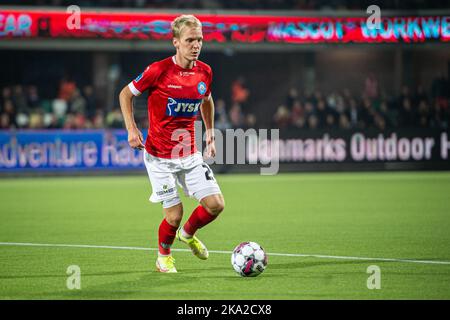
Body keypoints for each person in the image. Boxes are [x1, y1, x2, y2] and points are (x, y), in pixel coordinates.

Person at [118, 15, 225, 273]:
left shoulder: (205, 71)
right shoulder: (159, 70)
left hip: (188, 153)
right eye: (190, 40)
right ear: (176, 42)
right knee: (174, 215)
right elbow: (125, 94)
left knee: (215, 205)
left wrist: (210, 132)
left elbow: (206, 100)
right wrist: (131, 129)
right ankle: (163, 256)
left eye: (199, 39)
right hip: (159, 158)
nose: (196, 45)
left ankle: (188, 234)